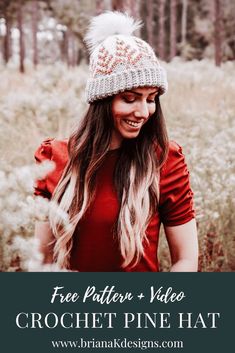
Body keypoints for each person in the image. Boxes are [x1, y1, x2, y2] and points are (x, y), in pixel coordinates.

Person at [34, 11, 198, 272]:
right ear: (102, 99)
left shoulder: (165, 161)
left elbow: (186, 260)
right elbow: (41, 264)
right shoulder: (54, 159)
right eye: (130, 99)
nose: (143, 112)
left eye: (151, 98)